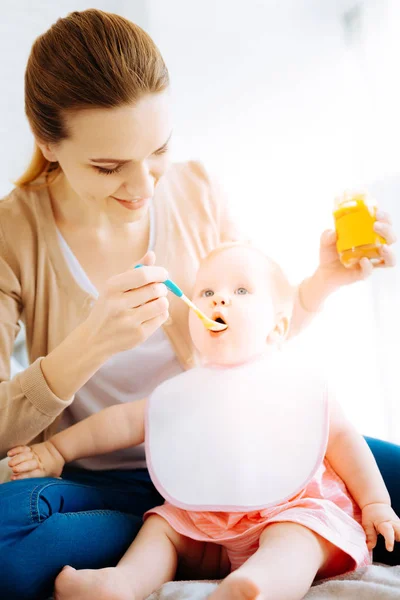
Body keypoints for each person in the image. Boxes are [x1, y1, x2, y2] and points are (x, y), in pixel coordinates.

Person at [0, 7, 397, 600]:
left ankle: (206, 545)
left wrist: (322, 282)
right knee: (10, 533)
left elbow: (262, 329)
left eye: (157, 150)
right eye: (108, 167)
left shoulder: (196, 190)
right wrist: (86, 347)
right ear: (48, 144)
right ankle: (173, 541)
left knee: (379, 486)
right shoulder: (14, 234)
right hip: (108, 485)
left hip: (241, 453)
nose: (142, 188)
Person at [8, 243, 400, 600]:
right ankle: (122, 583)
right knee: (164, 526)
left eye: (241, 291)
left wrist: (375, 501)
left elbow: (345, 438)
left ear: (279, 326)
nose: (220, 299)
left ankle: (258, 586)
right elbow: (121, 423)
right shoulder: (182, 391)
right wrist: (56, 449)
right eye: (207, 292)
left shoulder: (299, 384)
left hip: (291, 506)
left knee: (299, 536)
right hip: (206, 521)